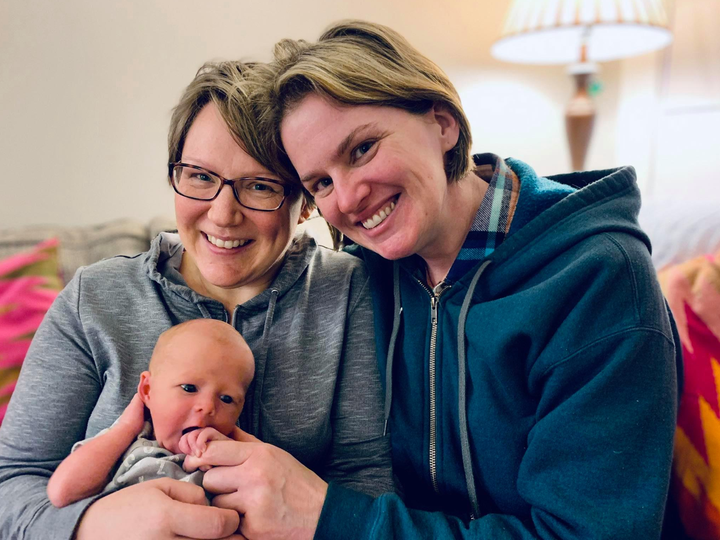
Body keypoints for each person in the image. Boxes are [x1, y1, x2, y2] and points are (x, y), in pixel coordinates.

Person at [176, 20, 683, 539]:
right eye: (321, 182)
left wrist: (330, 518)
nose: (348, 199)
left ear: (443, 124)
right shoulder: (364, 274)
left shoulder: (597, 279)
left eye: (362, 149)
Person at [0, 60, 393, 540]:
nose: (224, 215)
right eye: (200, 176)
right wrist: (91, 528)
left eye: (261, 186)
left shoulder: (349, 291)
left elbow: (366, 474)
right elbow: (12, 482)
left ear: (305, 199)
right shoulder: (95, 299)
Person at [47, 319, 255, 508]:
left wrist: (231, 455)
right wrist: (125, 429)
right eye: (189, 388)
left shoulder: (234, 453)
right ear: (147, 390)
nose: (208, 407)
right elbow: (62, 493)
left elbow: (267, 492)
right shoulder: (127, 443)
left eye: (227, 399)